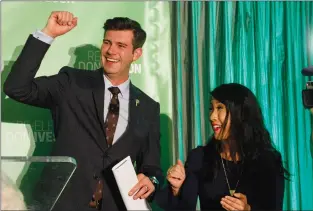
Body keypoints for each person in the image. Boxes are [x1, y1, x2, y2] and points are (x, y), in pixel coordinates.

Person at [4, 11, 163, 211]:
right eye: (107, 43)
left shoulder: (148, 107)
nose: (111, 51)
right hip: (63, 204)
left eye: (121, 46)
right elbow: (16, 88)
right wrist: (48, 34)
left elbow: (152, 167)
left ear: (136, 54)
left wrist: (152, 180)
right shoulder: (72, 83)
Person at [155, 83, 289, 210]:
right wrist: (177, 189)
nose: (212, 116)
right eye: (211, 109)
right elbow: (184, 208)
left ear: (241, 114)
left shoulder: (268, 160)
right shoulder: (200, 157)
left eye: (220, 108)